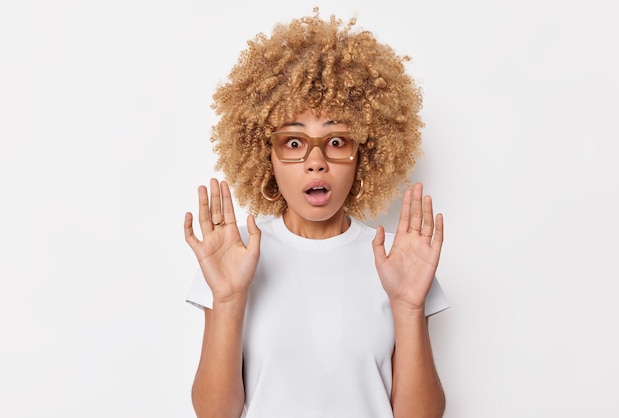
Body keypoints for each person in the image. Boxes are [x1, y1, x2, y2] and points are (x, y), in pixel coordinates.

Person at [184, 9, 449, 418]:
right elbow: (215, 414)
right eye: (293, 142)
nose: (315, 162)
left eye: (337, 140)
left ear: (365, 152)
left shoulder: (400, 261)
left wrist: (409, 307)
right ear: (264, 153)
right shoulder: (233, 257)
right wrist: (230, 298)